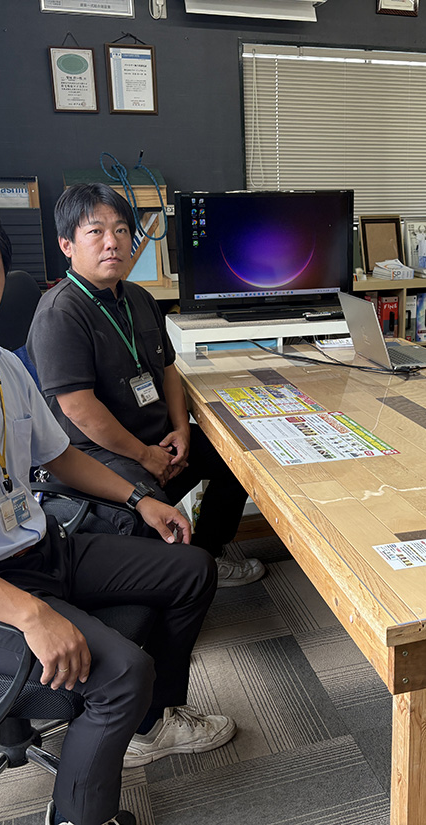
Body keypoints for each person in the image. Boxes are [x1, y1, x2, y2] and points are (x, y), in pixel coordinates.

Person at [0, 192, 236, 825]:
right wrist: (31, 616)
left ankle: (147, 727)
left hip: (37, 547)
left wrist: (141, 498)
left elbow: (59, 458)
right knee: (120, 674)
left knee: (191, 567)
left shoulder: (1, 365)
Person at [27, 184, 263, 587]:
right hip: (98, 453)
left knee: (237, 457)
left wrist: (182, 430)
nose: (112, 243)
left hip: (157, 438)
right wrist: (146, 456)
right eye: (95, 232)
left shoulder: (137, 297)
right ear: (67, 244)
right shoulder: (59, 314)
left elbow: (169, 370)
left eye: (121, 231)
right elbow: (79, 409)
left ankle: (210, 554)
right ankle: (182, 581)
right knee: (152, 508)